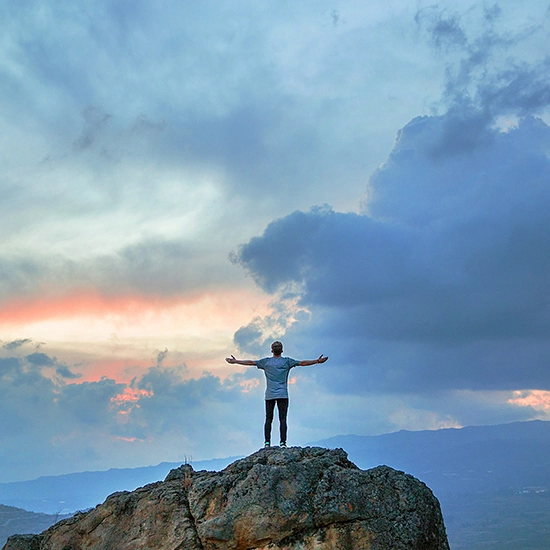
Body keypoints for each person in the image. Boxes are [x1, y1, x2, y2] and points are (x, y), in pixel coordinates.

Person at [226, 341, 328, 448]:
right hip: (283, 395)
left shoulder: (266, 362)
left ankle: (267, 443)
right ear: (282, 350)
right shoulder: (287, 362)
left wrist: (236, 361)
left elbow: (251, 362)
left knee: (268, 419)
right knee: (282, 419)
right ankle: (283, 443)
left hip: (270, 395)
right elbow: (302, 363)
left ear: (271, 350)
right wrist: (317, 361)